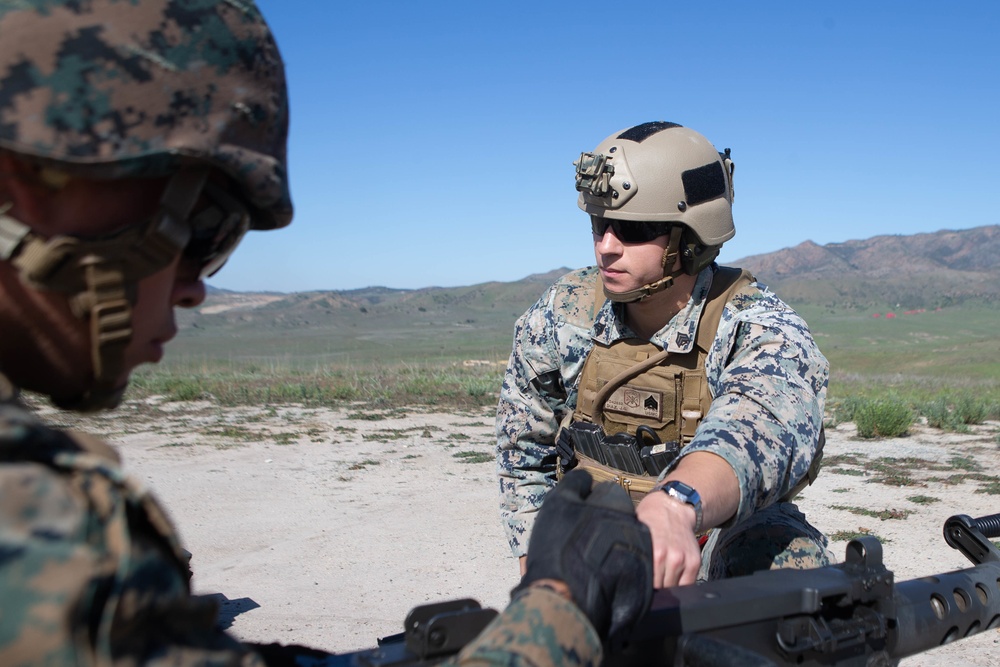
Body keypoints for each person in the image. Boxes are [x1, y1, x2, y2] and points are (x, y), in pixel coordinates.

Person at [0, 2, 650, 665]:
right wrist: (558, 608)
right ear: (24, 176)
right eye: (201, 226)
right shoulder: (34, 523)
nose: (196, 286)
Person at [497, 121, 831, 588]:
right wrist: (541, 573)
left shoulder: (753, 323)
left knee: (784, 564)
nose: (606, 247)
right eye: (599, 224)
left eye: (633, 229)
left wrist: (676, 504)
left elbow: (764, 421)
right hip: (597, 541)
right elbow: (523, 451)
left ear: (688, 238)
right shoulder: (562, 313)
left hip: (710, 547)